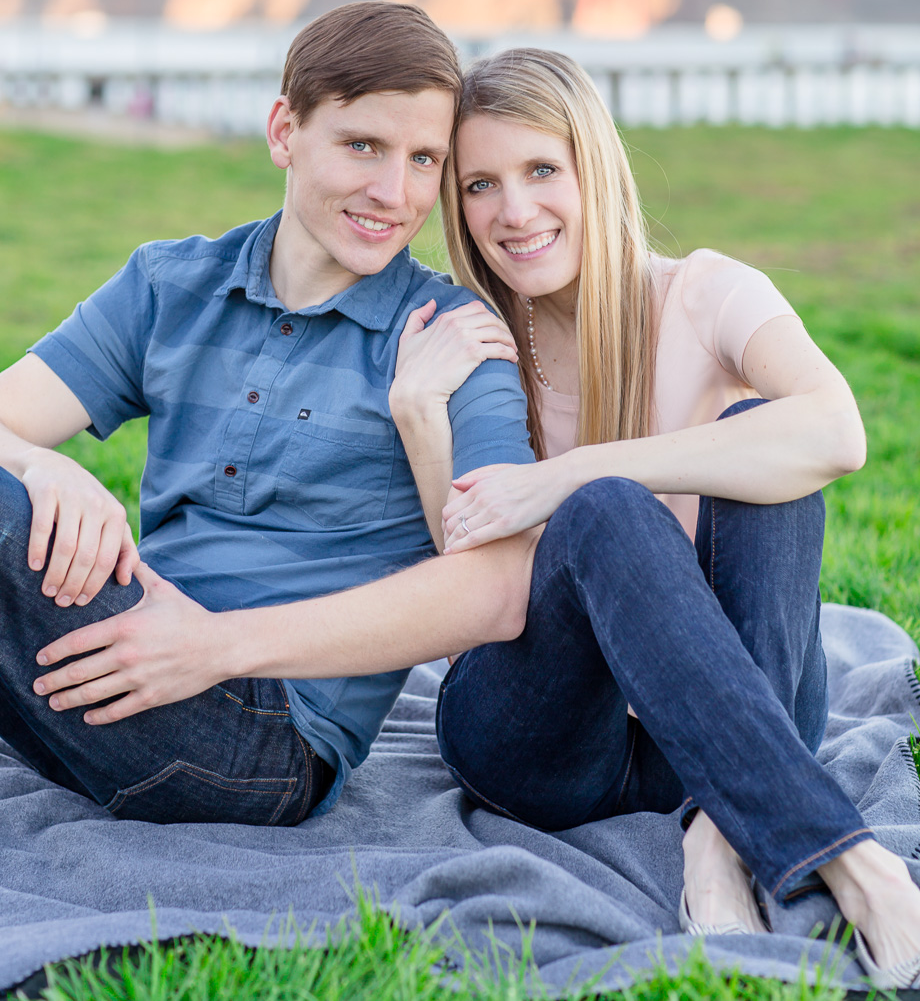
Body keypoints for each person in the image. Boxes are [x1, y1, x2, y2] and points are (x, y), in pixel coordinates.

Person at [23, 50, 920, 988]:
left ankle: (721, 829)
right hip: (547, 735)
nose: (514, 211)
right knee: (607, 514)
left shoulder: (705, 293)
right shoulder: (474, 340)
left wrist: (574, 469)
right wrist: (419, 416)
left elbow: (838, 428)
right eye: (480, 183)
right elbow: (473, 573)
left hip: (740, 705)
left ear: (593, 166)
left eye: (541, 171)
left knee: (763, 455)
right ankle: (830, 847)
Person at [0, 1, 534, 826]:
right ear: (286, 131)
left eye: (424, 159)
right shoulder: (169, 285)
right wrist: (42, 464)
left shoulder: (453, 342)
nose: (394, 193)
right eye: (363, 145)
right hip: (118, 659)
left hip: (266, 739)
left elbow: (504, 585)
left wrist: (214, 648)